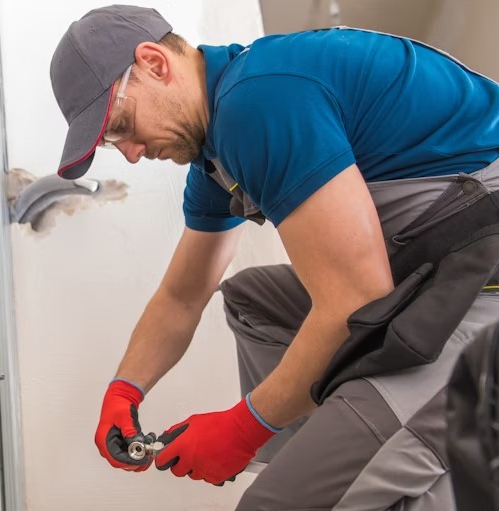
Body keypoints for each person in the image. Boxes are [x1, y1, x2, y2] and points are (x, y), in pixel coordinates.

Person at [49, 5, 499, 510]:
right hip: (429, 275)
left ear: (155, 63)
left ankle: (371, 463)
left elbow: (355, 299)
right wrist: (125, 390)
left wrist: (243, 428)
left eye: (121, 126)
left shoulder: (258, 101)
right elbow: (182, 296)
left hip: (481, 281)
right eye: (114, 144)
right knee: (252, 301)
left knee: (275, 506)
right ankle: (334, 450)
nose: (131, 153)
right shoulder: (217, 151)